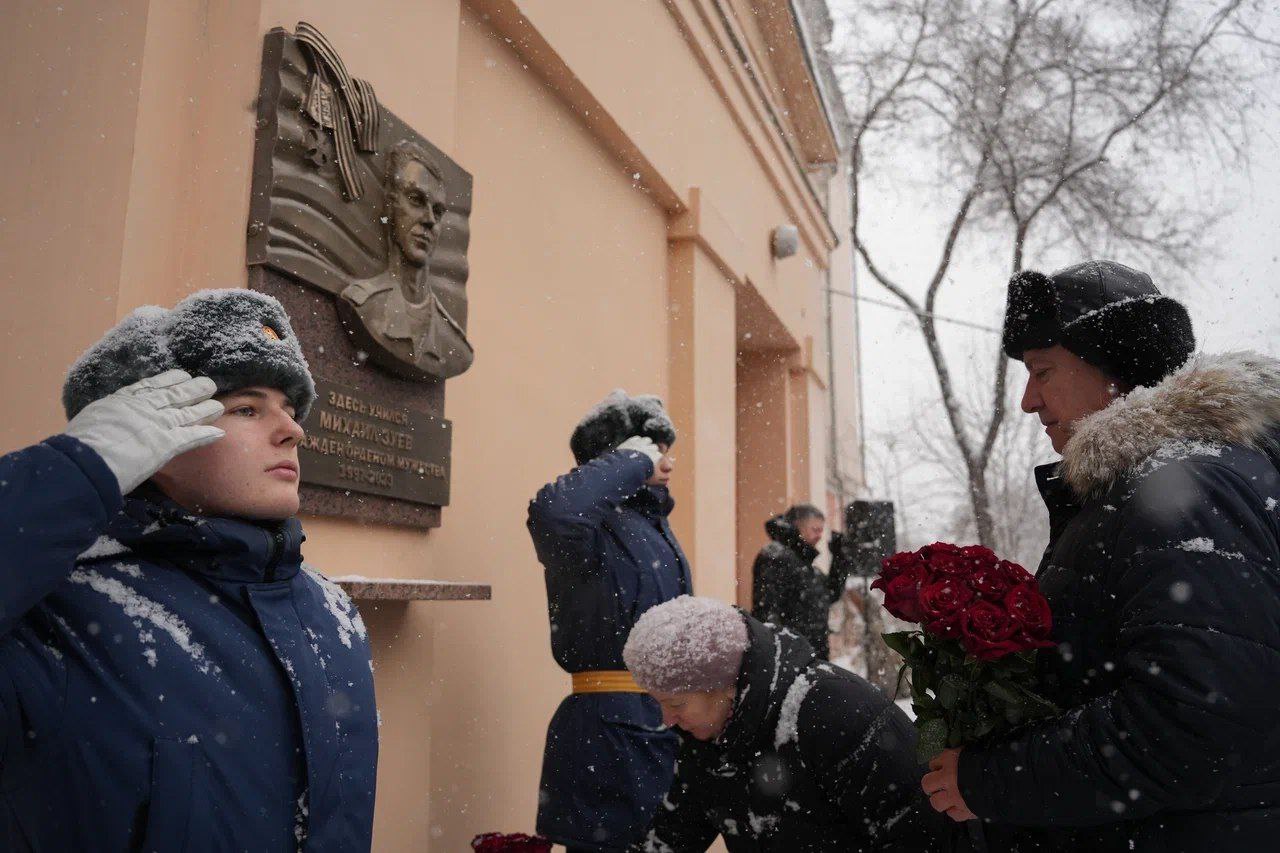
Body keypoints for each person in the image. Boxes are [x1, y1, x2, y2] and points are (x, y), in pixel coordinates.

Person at [0, 289, 377, 850]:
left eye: (291, 410)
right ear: (151, 437)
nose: (293, 430)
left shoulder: (328, 609)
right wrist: (77, 470)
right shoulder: (55, 613)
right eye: (246, 409)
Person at [922, 260, 1280, 851]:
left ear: (1117, 366)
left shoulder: (1185, 492)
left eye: (1043, 371)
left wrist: (992, 779)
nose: (1028, 400)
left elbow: (1191, 728)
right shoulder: (1144, 490)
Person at [622, 595, 950, 851]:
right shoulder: (706, 738)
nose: (667, 720)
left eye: (676, 704)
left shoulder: (834, 711)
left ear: (727, 685)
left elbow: (925, 833)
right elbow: (672, 836)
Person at [526, 391, 693, 852]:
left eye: (664, 452)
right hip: (610, 739)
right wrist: (633, 460)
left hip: (660, 730)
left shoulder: (651, 526)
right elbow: (554, 513)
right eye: (654, 450)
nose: (666, 464)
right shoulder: (592, 528)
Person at [339, 138, 474, 380]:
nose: (429, 220)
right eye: (416, 200)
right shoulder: (362, 304)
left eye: (438, 211)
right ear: (390, 205)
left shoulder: (454, 344)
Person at [751, 504, 853, 660]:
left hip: (809, 657)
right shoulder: (776, 557)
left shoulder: (805, 565)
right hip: (791, 658)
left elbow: (829, 594)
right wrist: (782, 653)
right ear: (798, 526)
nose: (820, 536)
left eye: (821, 530)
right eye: (815, 529)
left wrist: (839, 558)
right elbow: (767, 610)